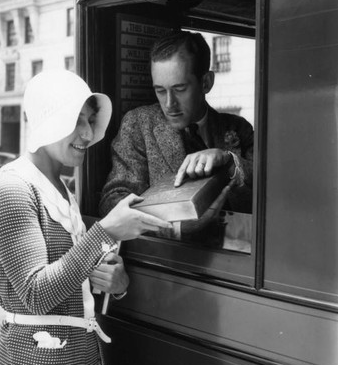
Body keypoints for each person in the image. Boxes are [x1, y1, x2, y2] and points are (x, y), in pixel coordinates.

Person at [0, 70, 170, 365]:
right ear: (46, 121)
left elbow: (72, 285)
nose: (87, 133)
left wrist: (117, 284)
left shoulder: (59, 188)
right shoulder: (13, 189)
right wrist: (107, 231)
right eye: (75, 121)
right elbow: (35, 294)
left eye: (90, 120)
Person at [99, 31, 254, 243]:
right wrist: (176, 227)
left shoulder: (238, 128)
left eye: (179, 89)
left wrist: (230, 164)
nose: (169, 104)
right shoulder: (138, 125)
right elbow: (113, 201)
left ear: (206, 83)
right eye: (160, 91)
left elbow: (269, 192)